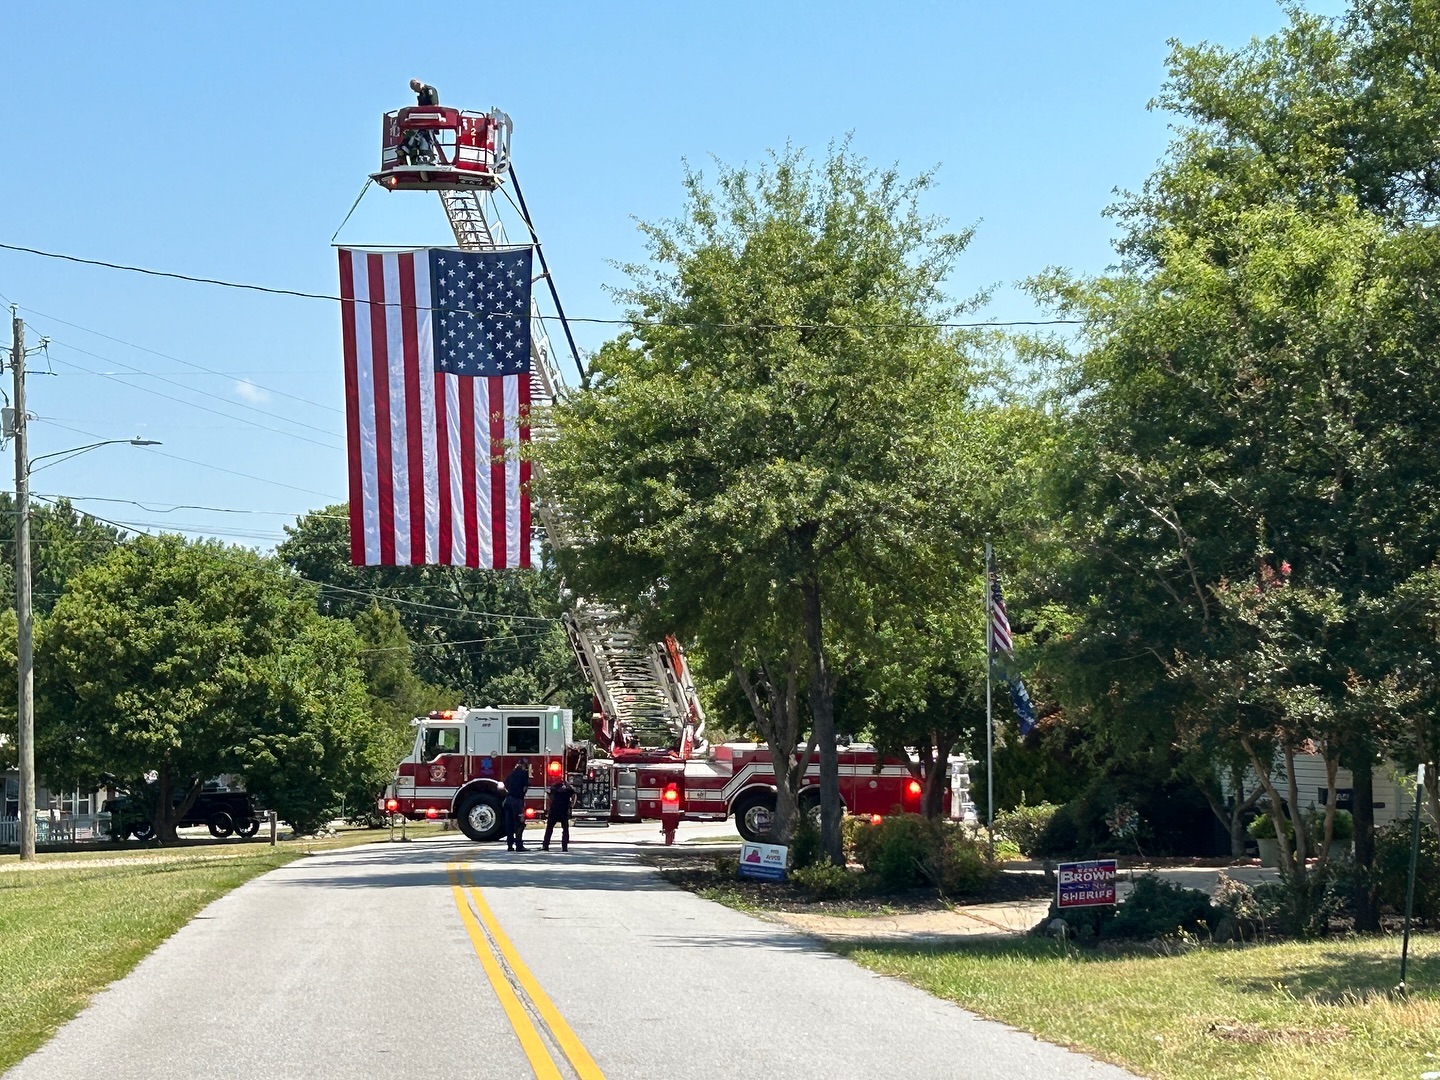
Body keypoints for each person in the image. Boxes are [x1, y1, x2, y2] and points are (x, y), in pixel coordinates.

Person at [400, 79, 441, 165]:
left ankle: (428, 156)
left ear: (418, 84)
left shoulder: (430, 90)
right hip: (422, 122)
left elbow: (435, 106)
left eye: (414, 88)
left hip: (431, 121)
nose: (415, 91)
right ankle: (406, 148)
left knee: (427, 138)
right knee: (415, 135)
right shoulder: (421, 94)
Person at [543, 775, 576, 852]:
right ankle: (564, 847)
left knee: (549, 828)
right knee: (565, 829)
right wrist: (571, 806)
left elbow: (549, 796)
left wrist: (548, 808)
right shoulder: (568, 789)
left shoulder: (553, 788)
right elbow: (574, 795)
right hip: (563, 811)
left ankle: (546, 845)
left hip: (554, 810)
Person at [503, 760, 530, 851]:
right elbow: (525, 787)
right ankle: (519, 845)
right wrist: (521, 795)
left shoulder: (511, 774)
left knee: (509, 823)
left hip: (508, 800)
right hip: (517, 801)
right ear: (524, 765)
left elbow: (505, 785)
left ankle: (510, 845)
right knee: (519, 823)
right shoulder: (524, 774)